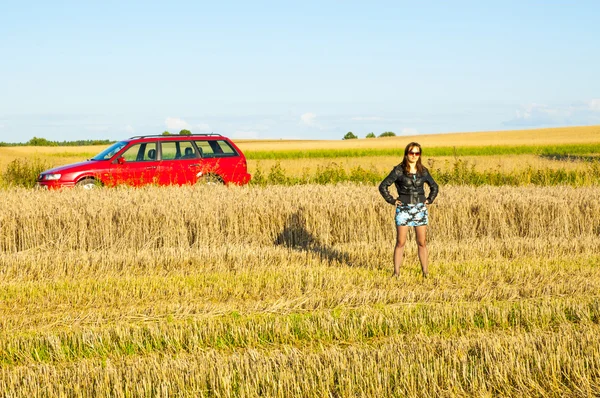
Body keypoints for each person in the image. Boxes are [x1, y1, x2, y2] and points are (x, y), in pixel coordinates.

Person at [379, 142, 439, 278]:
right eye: (412, 153)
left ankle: (425, 272)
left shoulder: (423, 171)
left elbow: (434, 186)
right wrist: (392, 200)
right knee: (400, 242)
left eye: (417, 153)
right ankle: (396, 273)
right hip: (404, 209)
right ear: (406, 154)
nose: (414, 156)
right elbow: (383, 186)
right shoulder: (398, 170)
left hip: (420, 209)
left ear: (420, 155)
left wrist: (429, 199)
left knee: (422, 242)